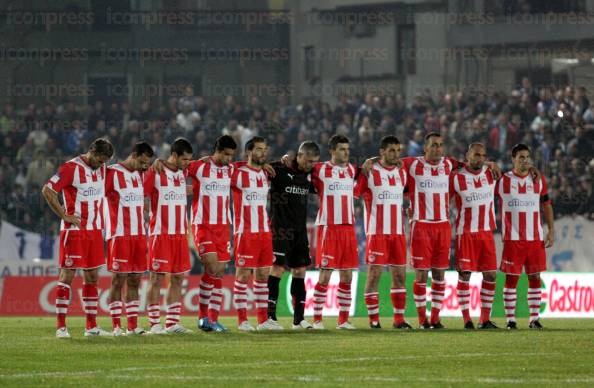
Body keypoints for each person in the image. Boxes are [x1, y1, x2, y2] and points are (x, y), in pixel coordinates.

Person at [42, 138, 114, 338]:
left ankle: (91, 327)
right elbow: (47, 190)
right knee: (67, 276)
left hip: (95, 231)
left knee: (92, 277)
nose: (102, 165)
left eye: (104, 162)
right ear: (91, 151)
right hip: (74, 232)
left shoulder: (103, 168)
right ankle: (61, 327)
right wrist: (64, 214)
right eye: (100, 160)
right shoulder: (70, 168)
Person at [354, 135, 412, 329]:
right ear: (382, 152)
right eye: (391, 150)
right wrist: (365, 165)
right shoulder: (369, 171)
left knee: (399, 276)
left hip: (398, 233)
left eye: (398, 150)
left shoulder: (402, 173)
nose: (396, 154)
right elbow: (354, 192)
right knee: (374, 275)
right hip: (376, 232)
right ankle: (374, 320)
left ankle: (399, 320)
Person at [497, 143, 554, 330]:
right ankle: (511, 320)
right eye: (521, 157)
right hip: (513, 238)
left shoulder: (538, 179)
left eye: (527, 157)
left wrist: (551, 230)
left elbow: (546, 204)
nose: (525, 160)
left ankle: (534, 319)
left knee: (535, 277)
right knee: (511, 279)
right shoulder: (503, 180)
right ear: (513, 159)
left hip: (535, 237)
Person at [266, 141, 321, 330]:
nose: (311, 165)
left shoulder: (310, 175)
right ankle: (270, 317)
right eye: (308, 160)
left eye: (314, 162)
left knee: (300, 272)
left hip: (299, 231)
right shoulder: (280, 169)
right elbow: (259, 167)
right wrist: (273, 162)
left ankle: (299, 320)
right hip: (280, 229)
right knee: (277, 269)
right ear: (299, 155)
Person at [187, 135, 237, 332]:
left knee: (218, 272)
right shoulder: (199, 166)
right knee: (213, 266)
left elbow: (250, 166)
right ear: (216, 151)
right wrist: (159, 162)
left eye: (232, 155)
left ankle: (211, 319)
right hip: (203, 225)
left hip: (223, 227)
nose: (229, 159)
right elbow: (176, 166)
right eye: (226, 155)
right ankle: (202, 317)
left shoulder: (231, 169)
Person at [104, 141, 154, 336]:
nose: (145, 167)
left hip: (139, 235)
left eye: (148, 163)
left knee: (135, 280)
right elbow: (97, 194)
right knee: (118, 279)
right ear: (133, 154)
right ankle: (116, 326)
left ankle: (133, 326)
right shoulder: (112, 173)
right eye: (142, 162)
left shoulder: (143, 174)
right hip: (119, 235)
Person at [144, 138, 193, 334]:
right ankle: (154, 324)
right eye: (185, 159)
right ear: (174, 155)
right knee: (156, 278)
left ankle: (172, 323)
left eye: (190, 160)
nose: (188, 163)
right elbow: (142, 195)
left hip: (180, 234)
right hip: (160, 234)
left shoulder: (184, 172)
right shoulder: (155, 171)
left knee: (178, 277)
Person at [231, 136, 279, 331]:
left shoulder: (266, 174)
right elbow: (223, 165)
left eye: (265, 149)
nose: (263, 153)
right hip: (245, 231)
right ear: (248, 152)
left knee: (262, 276)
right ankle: (242, 320)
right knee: (243, 275)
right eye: (258, 149)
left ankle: (262, 320)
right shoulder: (237, 172)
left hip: (264, 232)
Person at [311, 134, 359, 330]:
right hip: (328, 227)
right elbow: (300, 167)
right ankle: (317, 320)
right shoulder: (320, 169)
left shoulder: (352, 170)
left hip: (348, 227)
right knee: (325, 275)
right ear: (332, 151)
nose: (346, 153)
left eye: (347, 149)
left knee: (347, 276)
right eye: (342, 149)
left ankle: (343, 320)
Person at [450, 143, 499, 330]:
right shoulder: (456, 177)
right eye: (476, 155)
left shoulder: (491, 173)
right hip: (466, 232)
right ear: (467, 155)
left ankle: (484, 319)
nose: (480, 158)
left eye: (483, 155)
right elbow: (439, 196)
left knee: (491, 275)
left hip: (486, 232)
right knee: (465, 275)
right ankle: (466, 320)